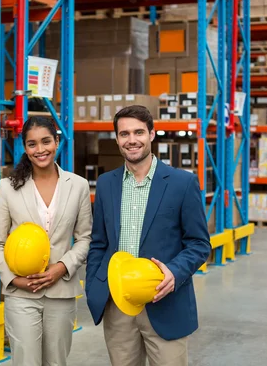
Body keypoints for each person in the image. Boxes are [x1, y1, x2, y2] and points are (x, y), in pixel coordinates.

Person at [85, 105, 211, 366]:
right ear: (117, 139)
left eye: (139, 132)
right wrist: (95, 285)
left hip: (164, 300)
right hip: (118, 304)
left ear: (152, 134)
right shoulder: (107, 183)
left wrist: (174, 273)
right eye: (124, 134)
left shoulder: (182, 183)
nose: (132, 140)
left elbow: (199, 244)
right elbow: (99, 242)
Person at [0, 116, 93, 366]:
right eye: (32, 144)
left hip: (61, 291)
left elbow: (85, 238)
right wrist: (14, 280)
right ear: (25, 147)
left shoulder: (77, 185)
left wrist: (62, 267)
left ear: (57, 141)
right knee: (26, 362)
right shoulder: (7, 187)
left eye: (46, 141)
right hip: (21, 294)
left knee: (56, 362)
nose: (40, 149)